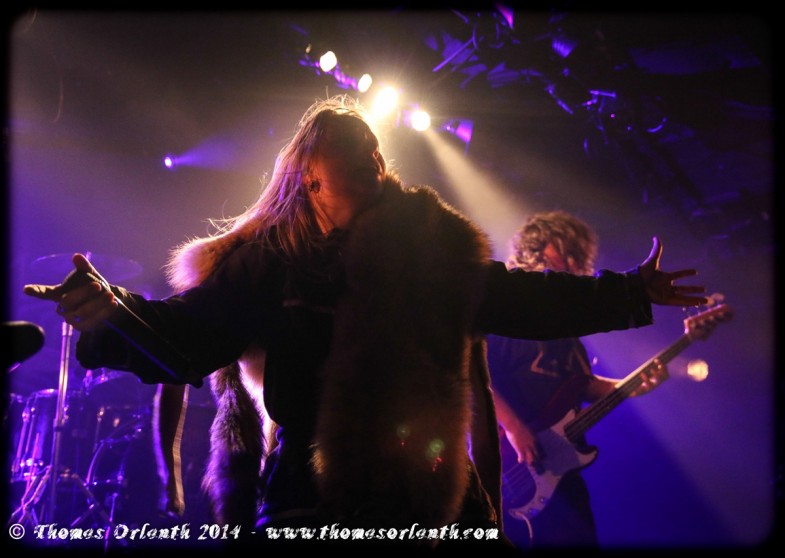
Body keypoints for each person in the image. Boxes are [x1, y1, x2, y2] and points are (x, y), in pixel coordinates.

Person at [23, 95, 706, 550]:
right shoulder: (269, 262)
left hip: (427, 484)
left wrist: (628, 294)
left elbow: (516, 297)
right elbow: (189, 343)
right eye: (354, 155)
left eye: (376, 152)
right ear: (311, 180)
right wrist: (112, 314)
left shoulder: (427, 248)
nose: (374, 163)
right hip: (309, 492)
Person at [486, 210, 668, 550]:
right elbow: (473, 376)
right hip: (509, 462)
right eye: (564, 250)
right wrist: (513, 426)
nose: (571, 261)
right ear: (534, 248)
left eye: (576, 255)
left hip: (560, 471)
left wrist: (631, 385)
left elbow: (581, 384)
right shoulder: (505, 314)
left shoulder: (567, 330)